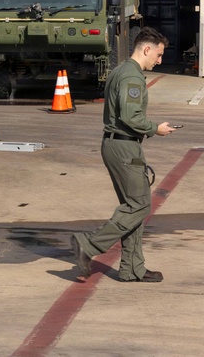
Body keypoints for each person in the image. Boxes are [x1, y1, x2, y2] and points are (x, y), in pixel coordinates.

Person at [72, 27, 176, 283]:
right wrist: (156, 129)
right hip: (124, 146)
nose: (159, 61)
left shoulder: (119, 70)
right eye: (159, 55)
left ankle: (132, 268)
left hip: (117, 145)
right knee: (139, 205)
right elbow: (130, 117)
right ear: (147, 49)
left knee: (134, 207)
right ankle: (90, 245)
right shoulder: (132, 77)